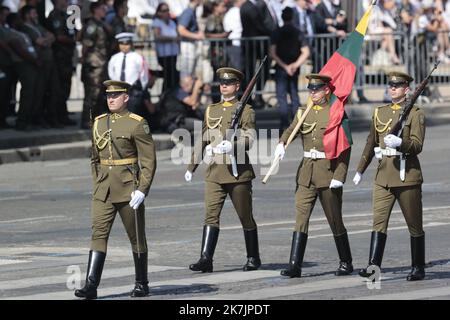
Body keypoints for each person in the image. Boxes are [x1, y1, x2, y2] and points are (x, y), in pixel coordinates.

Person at [74, 80, 156, 299]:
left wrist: (142, 189)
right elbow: (94, 157)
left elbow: (148, 161)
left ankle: (141, 283)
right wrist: (98, 180)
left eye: (116, 96)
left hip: (129, 188)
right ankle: (91, 285)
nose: (111, 99)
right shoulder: (99, 122)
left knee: (136, 237)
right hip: (104, 189)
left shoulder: (137, 123)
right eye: (109, 96)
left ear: (126, 98)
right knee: (98, 234)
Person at [273, 73, 353, 278]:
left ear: (326, 90)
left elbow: (345, 148)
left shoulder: (337, 113)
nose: (312, 93)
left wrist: (339, 175)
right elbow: (291, 130)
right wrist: (282, 144)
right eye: (310, 89)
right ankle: (294, 265)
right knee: (301, 217)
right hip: (306, 172)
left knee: (334, 219)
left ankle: (346, 262)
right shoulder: (303, 112)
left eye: (316, 89)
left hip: (328, 172)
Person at [184, 67, 261, 273]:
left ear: (237, 86)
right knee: (210, 215)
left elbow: (250, 137)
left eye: (228, 83)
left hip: (238, 174)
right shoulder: (212, 110)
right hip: (215, 171)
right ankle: (205, 258)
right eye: (221, 83)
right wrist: (192, 166)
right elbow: (203, 138)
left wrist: (234, 145)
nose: (223, 86)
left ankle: (253, 257)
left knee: (245, 216)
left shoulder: (246, 110)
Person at [354, 71, 426, 281]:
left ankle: (418, 267)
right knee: (378, 222)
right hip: (383, 176)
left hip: (406, 176)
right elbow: (370, 142)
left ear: (407, 89)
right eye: (390, 85)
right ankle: (373, 266)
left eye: (398, 85)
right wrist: (360, 169)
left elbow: (417, 145)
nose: (392, 88)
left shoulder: (415, 113)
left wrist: (400, 144)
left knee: (414, 224)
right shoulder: (380, 112)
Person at [269, 6, 310, 131]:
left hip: (282, 67)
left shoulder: (277, 32)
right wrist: (295, 65)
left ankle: (284, 124)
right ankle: (296, 124)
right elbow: (306, 52)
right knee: (294, 95)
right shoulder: (298, 32)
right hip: (293, 67)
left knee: (282, 97)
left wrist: (285, 66)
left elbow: (272, 53)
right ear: (292, 17)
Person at [80, 1, 113, 129]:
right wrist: (84, 59)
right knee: (92, 93)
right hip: (94, 63)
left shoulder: (102, 24)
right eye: (101, 8)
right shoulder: (92, 25)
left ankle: (96, 119)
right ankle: (86, 120)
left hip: (102, 63)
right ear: (95, 10)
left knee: (100, 93)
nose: (104, 10)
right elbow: (86, 44)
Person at [46, 0, 77, 126]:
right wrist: (73, 41)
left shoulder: (66, 15)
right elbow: (60, 37)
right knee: (57, 89)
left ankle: (63, 115)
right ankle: (54, 117)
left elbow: (72, 31)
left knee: (65, 88)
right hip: (59, 57)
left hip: (67, 57)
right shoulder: (55, 15)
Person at [108, 32, 149, 117]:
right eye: (121, 44)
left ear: (131, 44)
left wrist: (141, 87)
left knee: (133, 111)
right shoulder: (114, 58)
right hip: (118, 89)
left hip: (132, 89)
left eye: (127, 44)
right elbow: (111, 72)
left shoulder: (137, 57)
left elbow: (143, 74)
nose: (124, 46)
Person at [152, 2, 179, 92]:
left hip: (173, 53)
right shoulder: (157, 22)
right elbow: (158, 36)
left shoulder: (172, 23)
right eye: (164, 10)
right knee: (169, 76)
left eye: (167, 10)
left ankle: (169, 96)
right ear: (159, 12)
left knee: (171, 76)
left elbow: (177, 35)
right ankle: (165, 98)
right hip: (164, 54)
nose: (166, 12)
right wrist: (172, 39)